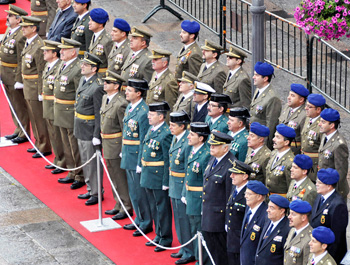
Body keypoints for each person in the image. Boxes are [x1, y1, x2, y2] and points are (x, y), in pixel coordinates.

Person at [120, 79, 152, 235]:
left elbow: (143, 139)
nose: (126, 92)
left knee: (140, 192)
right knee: (133, 191)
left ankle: (146, 221)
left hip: (136, 156)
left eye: (130, 90)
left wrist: (140, 161)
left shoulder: (143, 112)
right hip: (128, 153)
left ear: (138, 93)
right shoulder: (130, 107)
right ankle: (138, 219)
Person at [140, 102, 173, 252]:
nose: (148, 116)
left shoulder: (166, 133)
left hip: (158, 175)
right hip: (148, 173)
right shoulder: (152, 129)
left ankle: (165, 237)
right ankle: (158, 234)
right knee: (154, 206)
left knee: (162, 207)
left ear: (161, 117)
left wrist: (166, 181)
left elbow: (167, 159)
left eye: (152, 114)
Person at [100, 71, 132, 219]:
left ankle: (126, 206)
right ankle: (118, 203)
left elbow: (124, 128)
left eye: (108, 82)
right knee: (113, 175)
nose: (104, 84)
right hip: (107, 142)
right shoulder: (105, 98)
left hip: (116, 143)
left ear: (116, 86)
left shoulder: (121, 103)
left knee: (119, 177)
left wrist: (123, 149)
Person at [74, 53, 105, 206]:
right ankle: (89, 187)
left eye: (86, 65)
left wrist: (96, 134)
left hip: (90, 128)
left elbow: (99, 112)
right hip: (80, 126)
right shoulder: (83, 79)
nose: (82, 66)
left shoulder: (98, 86)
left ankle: (96, 191)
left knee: (93, 163)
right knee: (85, 160)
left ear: (94, 68)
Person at [54, 38, 85, 189]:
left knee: (73, 144)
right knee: (66, 142)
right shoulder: (63, 64)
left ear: (73, 52)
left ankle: (80, 174)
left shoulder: (78, 68)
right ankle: (72, 171)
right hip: (60, 108)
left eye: (64, 50)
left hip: (69, 110)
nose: (61, 52)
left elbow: (79, 92)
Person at [202, 131, 235, 265]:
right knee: (212, 251)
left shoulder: (231, 165)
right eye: (211, 145)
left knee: (220, 254)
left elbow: (230, 197)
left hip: (219, 219)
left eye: (215, 146)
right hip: (209, 215)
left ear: (225, 148)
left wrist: (228, 221)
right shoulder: (214, 159)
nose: (211, 148)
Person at [20, 16, 52, 158]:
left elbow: (40, 71)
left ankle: (44, 146)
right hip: (27, 84)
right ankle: (39, 142)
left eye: (25, 27)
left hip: (34, 85)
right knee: (33, 116)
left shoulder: (39, 46)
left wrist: (40, 91)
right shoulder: (29, 43)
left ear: (34, 28)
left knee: (38, 117)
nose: (23, 29)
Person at [182, 122, 211, 265]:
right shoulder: (193, 150)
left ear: (201, 138)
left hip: (199, 199)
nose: (188, 137)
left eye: (192, 134)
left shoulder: (205, 155)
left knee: (200, 231)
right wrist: (184, 192)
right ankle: (198, 258)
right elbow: (188, 174)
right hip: (191, 196)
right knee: (194, 229)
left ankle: (203, 261)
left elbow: (207, 183)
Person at [1, 5, 30, 145]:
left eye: (10, 16)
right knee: (12, 104)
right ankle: (18, 129)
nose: (7, 18)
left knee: (19, 105)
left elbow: (20, 59)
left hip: (13, 74)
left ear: (18, 20)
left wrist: (19, 79)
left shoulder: (20, 36)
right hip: (5, 72)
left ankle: (24, 132)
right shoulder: (10, 30)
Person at [168, 111, 195, 264]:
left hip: (181, 185)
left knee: (184, 220)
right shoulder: (176, 138)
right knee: (178, 219)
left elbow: (187, 168)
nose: (170, 128)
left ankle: (189, 250)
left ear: (182, 126)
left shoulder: (186, 142)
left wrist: (185, 190)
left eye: (173, 125)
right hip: (174, 183)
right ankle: (184, 246)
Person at [310, 168, 348, 264]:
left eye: (319, 183)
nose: (316, 184)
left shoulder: (338, 205)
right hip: (317, 250)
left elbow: (337, 238)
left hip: (329, 255)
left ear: (328, 186)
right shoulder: (320, 196)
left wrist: (329, 259)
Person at [41, 40, 65, 174]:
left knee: (57, 134)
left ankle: (62, 161)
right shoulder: (49, 65)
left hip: (54, 104)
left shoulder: (58, 67)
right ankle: (57, 159)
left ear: (54, 54)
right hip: (47, 103)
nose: (44, 53)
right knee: (52, 133)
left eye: (47, 51)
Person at [318, 108, 349, 200]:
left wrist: (333, 193)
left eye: (323, 122)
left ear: (331, 125)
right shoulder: (325, 136)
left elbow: (341, 173)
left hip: (332, 189)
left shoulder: (339, 144)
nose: (319, 124)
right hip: (324, 185)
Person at [225, 160, 253, 265]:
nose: (231, 176)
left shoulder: (249, 193)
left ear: (245, 176)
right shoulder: (235, 188)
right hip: (231, 236)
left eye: (235, 173)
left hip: (241, 239)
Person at [250, 62, 282, 149]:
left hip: (261, 141)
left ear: (265, 78)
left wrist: (265, 146)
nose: (253, 77)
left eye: (256, 75)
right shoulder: (259, 90)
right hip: (254, 137)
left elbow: (271, 125)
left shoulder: (272, 98)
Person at [255, 194, 290, 265]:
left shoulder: (287, 228)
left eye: (272, 208)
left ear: (282, 211)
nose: (268, 210)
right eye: (268, 207)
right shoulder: (267, 220)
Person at [240, 181, 269, 265]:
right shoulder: (249, 209)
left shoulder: (265, 215)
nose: (245, 196)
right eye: (246, 193)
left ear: (259, 197)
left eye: (249, 194)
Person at [300, 94, 326, 182]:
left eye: (309, 106)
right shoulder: (309, 118)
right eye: (306, 105)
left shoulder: (322, 125)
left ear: (318, 110)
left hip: (314, 166)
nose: (306, 108)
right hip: (304, 162)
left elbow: (323, 150)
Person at [265, 124, 296, 196]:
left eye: (277, 137)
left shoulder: (290, 162)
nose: (273, 139)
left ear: (286, 142)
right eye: (274, 136)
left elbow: (290, 188)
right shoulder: (273, 153)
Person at [278, 84, 309, 155]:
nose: (288, 98)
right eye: (289, 95)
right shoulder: (287, 107)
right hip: (280, 149)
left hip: (293, 153)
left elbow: (303, 139)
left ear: (301, 100)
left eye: (292, 96)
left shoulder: (304, 115)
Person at [284, 200, 313, 265]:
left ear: (303, 218)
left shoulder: (309, 239)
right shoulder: (292, 230)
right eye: (289, 213)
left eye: (293, 214)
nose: (289, 217)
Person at [87, 8, 112, 78]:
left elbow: (110, 63)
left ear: (100, 24)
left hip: (101, 77)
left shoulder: (107, 40)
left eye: (92, 21)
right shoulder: (94, 35)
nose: (89, 22)